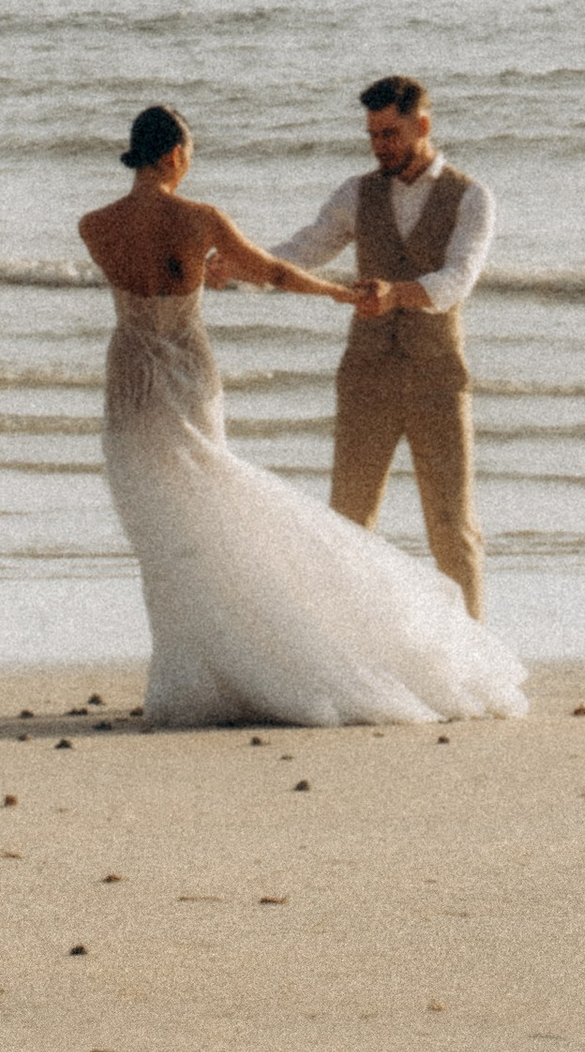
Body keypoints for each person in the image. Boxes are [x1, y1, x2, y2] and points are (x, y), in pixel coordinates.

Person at [78, 105, 525, 730]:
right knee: (211, 515)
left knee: (160, 529)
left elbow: (278, 258)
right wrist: (338, 293)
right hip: (184, 372)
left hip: (128, 378)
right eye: (190, 154)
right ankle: (230, 667)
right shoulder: (199, 219)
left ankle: (188, 677)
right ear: (175, 154)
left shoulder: (94, 226)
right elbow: (277, 270)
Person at [273, 74, 495, 617]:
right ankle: (346, 646)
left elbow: (458, 280)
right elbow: (305, 249)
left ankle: (471, 650)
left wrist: (396, 294)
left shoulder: (471, 197)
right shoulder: (357, 193)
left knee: (452, 528)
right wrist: (237, 265)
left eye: (390, 134)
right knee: (347, 523)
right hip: (365, 375)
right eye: (372, 135)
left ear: (423, 125)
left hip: (438, 379)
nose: (379, 146)